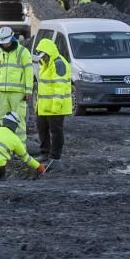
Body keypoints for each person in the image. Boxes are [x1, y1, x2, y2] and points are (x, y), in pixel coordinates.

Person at [34, 37, 72, 171]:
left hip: (56, 107)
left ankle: (55, 157)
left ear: (49, 52)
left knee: (56, 132)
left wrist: (56, 107)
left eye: (44, 55)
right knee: (42, 129)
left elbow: (59, 88)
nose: (42, 58)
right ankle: (45, 154)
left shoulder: (58, 64)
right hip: (44, 106)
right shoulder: (45, 64)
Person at [0, 27, 33, 142]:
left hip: (18, 93)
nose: (4, 45)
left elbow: (28, 71)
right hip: (2, 92)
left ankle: (21, 149)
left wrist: (29, 90)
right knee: (3, 119)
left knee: (19, 119)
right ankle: (6, 147)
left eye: (6, 42)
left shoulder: (23, 52)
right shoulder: (0, 52)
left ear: (12, 38)